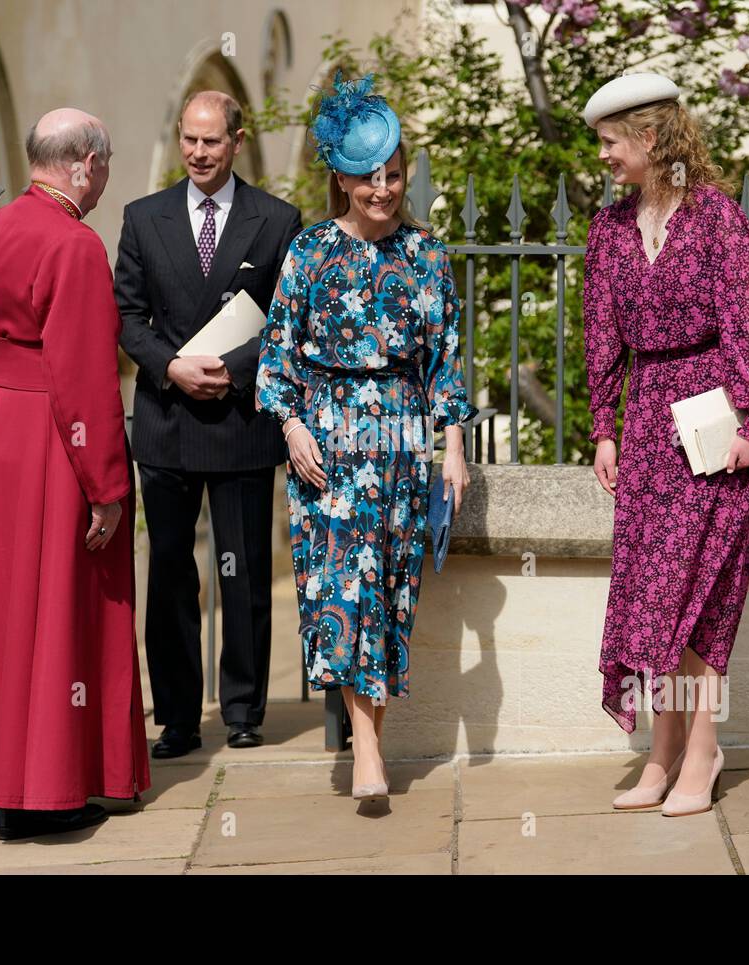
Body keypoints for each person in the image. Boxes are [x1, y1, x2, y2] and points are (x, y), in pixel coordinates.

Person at [255, 74, 475, 805]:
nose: (381, 189)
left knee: (388, 592)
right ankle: (369, 750)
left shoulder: (428, 257)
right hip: (329, 444)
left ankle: (369, 741)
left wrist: (453, 449)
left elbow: (446, 358)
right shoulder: (310, 252)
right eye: (365, 177)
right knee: (340, 591)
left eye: (391, 174)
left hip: (404, 445)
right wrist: (291, 427)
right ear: (341, 180)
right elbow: (277, 351)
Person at [0, 108, 150, 840]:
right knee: (53, 604)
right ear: (85, 162)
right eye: (107, 164)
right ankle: (35, 795)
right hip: (55, 436)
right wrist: (108, 487)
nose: (105, 178)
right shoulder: (78, 246)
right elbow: (86, 376)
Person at [581, 73, 749, 817]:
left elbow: (746, 322)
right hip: (644, 432)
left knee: (695, 596)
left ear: (652, 138)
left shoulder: (716, 219)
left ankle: (702, 749)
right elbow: (601, 335)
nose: (602, 155)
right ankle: (663, 750)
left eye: (610, 141)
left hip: (712, 421)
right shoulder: (607, 231)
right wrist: (604, 426)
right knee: (653, 597)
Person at [115, 91, 303, 758]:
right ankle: (177, 717)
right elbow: (127, 317)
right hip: (166, 420)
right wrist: (171, 368)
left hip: (239, 418)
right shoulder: (143, 218)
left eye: (211, 142)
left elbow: (288, 317)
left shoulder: (278, 219)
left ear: (237, 141)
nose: (197, 152)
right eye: (188, 140)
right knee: (170, 572)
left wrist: (232, 366)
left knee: (244, 570)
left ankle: (245, 708)